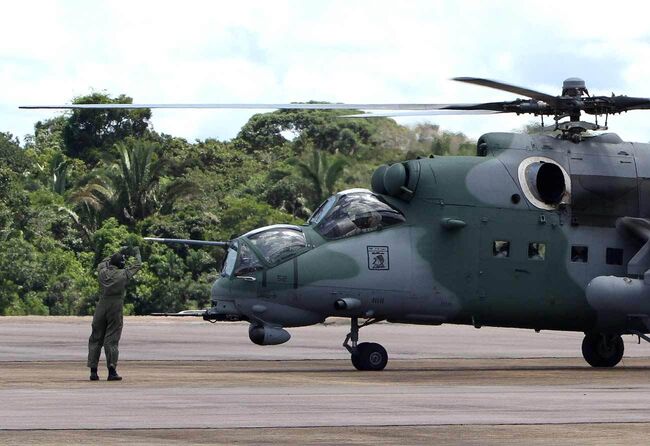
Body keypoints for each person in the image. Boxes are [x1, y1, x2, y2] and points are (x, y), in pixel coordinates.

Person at [87, 246, 142, 381]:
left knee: (95, 338)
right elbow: (138, 264)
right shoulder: (123, 274)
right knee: (111, 339)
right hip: (115, 306)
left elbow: (103, 262)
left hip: (101, 305)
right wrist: (136, 252)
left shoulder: (102, 272)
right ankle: (112, 370)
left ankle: (93, 371)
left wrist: (117, 252)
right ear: (121, 264)